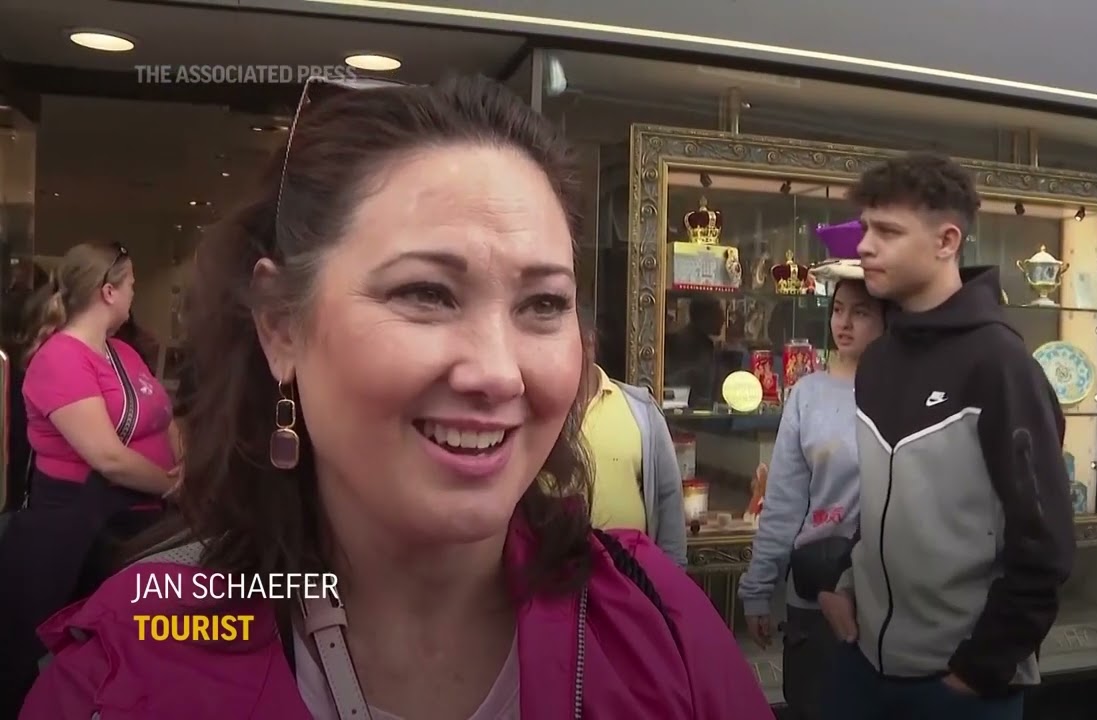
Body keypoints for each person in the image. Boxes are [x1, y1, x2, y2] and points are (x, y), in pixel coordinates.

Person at [20, 75, 773, 720]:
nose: (499, 372)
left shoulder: (660, 632)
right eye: (426, 293)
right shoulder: (129, 671)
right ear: (281, 324)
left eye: (543, 305)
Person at [819, 153, 1074, 720]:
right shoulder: (878, 360)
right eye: (865, 228)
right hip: (861, 662)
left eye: (887, 231)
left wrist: (982, 666)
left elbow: (1045, 541)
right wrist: (844, 586)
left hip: (956, 683)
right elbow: (885, 504)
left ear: (946, 241)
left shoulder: (1001, 364)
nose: (863, 246)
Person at [0, 242, 179, 717]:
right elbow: (107, 457)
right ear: (107, 292)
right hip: (76, 529)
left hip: (136, 521)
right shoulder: (60, 358)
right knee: (46, 652)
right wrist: (177, 485)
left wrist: (181, 465)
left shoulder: (121, 351)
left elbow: (161, 414)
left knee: (125, 649)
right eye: (131, 283)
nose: (135, 291)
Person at [738, 275, 884, 720]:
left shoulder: (904, 393)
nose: (845, 322)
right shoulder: (809, 394)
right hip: (815, 587)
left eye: (861, 312)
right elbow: (783, 502)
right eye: (839, 309)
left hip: (883, 593)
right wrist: (758, 590)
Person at [579, 304, 687, 566]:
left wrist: (671, 580)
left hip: (632, 577)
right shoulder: (537, 411)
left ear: (590, 342)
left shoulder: (640, 409)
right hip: (554, 582)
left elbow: (668, 498)